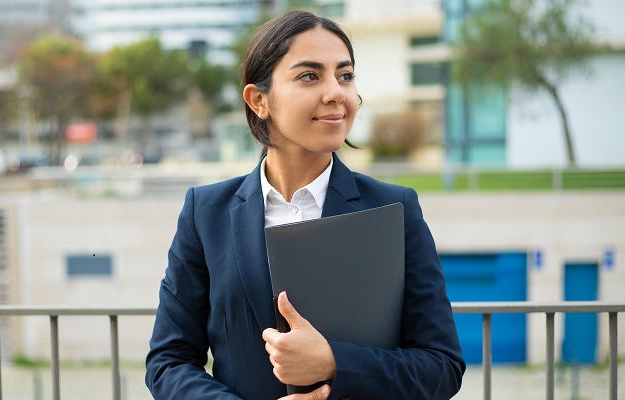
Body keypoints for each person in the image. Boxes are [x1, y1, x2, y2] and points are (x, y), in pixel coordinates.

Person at [145, 10, 465, 400]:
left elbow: (442, 367)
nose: (336, 92)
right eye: (309, 76)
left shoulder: (395, 209)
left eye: (345, 75)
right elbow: (168, 362)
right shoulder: (205, 212)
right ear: (259, 100)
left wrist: (334, 362)